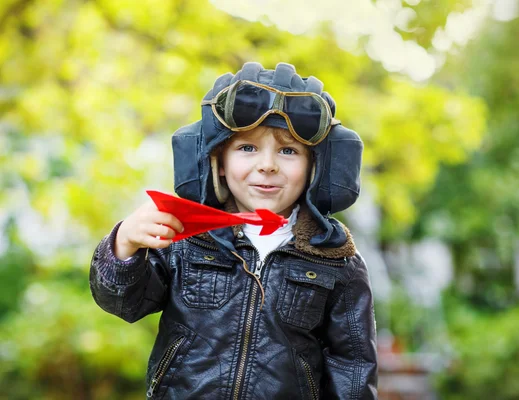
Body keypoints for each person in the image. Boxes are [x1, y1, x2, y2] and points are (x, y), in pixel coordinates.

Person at [89, 62, 378, 399]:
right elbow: (125, 303)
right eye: (247, 148)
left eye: (288, 151)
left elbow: (353, 368)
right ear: (219, 162)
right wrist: (124, 244)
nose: (267, 165)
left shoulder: (335, 259)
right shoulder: (187, 235)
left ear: (314, 167)